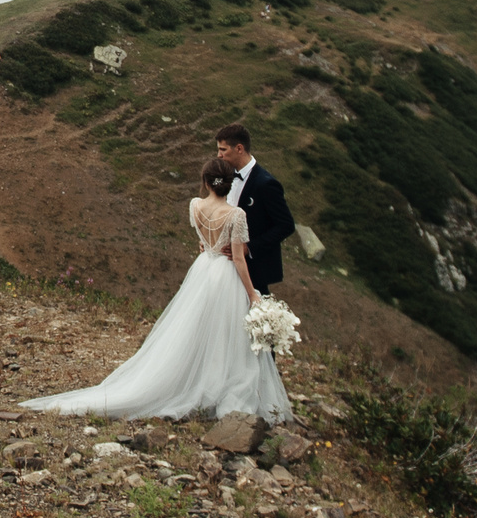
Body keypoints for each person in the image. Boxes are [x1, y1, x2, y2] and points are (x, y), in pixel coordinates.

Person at [20, 157, 292, 424]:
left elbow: (205, 239)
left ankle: (196, 379)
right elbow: (239, 260)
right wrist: (253, 293)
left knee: (195, 328)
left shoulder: (195, 205)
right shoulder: (236, 215)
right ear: (229, 183)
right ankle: (217, 384)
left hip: (202, 270)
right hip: (225, 276)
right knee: (225, 333)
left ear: (207, 182)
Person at [216, 123, 295, 296]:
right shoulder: (222, 177)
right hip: (222, 266)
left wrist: (248, 248)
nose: (218, 155)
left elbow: (286, 225)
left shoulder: (266, 184)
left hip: (253, 271)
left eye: (223, 150)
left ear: (239, 148)